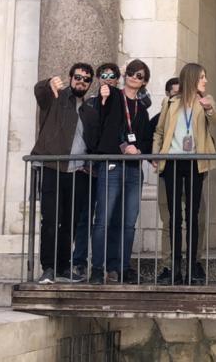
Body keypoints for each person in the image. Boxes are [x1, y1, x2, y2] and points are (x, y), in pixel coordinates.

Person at [152, 64, 216, 285]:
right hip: (172, 161)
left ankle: (192, 267)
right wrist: (156, 155)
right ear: (191, 78)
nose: (205, 81)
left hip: (195, 162)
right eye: (202, 77)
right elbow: (160, 131)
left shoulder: (206, 101)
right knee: (174, 216)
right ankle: (175, 269)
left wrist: (210, 109)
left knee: (193, 215)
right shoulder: (170, 102)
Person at [32, 63, 99, 284]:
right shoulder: (56, 98)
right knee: (51, 220)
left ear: (90, 84)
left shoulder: (89, 111)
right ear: (71, 78)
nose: (81, 81)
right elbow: (40, 92)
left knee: (70, 223)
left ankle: (62, 267)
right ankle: (48, 268)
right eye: (78, 77)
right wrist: (48, 82)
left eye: (86, 79)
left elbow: (93, 140)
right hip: (54, 168)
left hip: (78, 172)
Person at [90, 59, 153, 284]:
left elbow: (146, 138)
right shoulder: (113, 97)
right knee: (103, 220)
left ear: (144, 81)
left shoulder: (143, 109)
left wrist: (140, 150)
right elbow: (104, 115)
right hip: (112, 164)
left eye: (140, 76)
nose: (135, 77)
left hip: (134, 169)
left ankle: (122, 267)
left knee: (128, 223)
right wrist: (123, 146)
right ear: (126, 75)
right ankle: (97, 269)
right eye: (132, 73)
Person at [72, 62, 122, 280]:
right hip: (90, 167)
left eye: (112, 76)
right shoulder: (90, 103)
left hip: (110, 167)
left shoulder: (121, 99)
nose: (108, 79)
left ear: (117, 79)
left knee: (108, 218)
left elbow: (143, 101)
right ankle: (79, 262)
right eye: (104, 75)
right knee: (85, 217)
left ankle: (109, 265)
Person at [149, 77, 179, 284]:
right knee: (169, 221)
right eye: (175, 94)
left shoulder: (195, 113)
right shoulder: (159, 118)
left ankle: (193, 262)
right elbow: (149, 137)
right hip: (166, 175)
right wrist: (153, 155)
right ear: (168, 95)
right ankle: (168, 265)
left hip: (192, 175)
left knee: (198, 220)